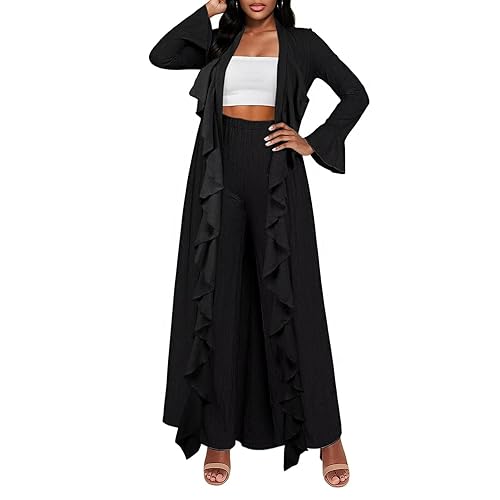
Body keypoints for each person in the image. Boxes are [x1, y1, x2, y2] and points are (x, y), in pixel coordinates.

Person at [149, 0, 369, 487]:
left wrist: (313, 141)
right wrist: (209, 10)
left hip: (277, 173)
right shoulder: (220, 42)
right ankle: (218, 434)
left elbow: (356, 94)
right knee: (218, 301)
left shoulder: (303, 44)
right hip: (217, 175)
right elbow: (162, 55)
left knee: (295, 299)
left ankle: (327, 435)